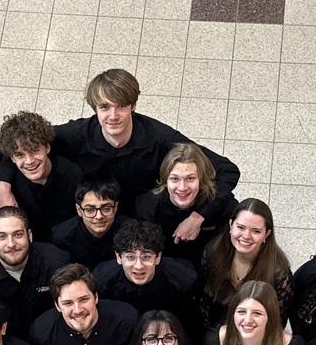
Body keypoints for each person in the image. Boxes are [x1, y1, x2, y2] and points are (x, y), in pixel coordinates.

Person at [0, 69, 240, 223]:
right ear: (95, 109)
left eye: (121, 106)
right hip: (95, 216)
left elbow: (228, 170)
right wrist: (3, 188)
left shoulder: (160, 136)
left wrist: (199, 216)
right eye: (104, 107)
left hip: (144, 216)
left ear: (133, 106)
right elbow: (22, 144)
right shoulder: (76, 134)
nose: (113, 115)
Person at [0, 207, 71, 339]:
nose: (11, 244)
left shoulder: (58, 263)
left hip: (52, 336)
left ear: (29, 235)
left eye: (18, 235)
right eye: (2, 237)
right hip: (2, 342)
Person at [134, 142, 238, 268]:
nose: (182, 188)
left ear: (201, 179)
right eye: (174, 179)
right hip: (166, 270)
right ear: (165, 181)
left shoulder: (221, 203)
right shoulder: (147, 207)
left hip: (210, 267)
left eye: (190, 178)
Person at [201, 198, 294, 331]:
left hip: (254, 334)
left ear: (266, 235)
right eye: (240, 227)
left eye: (256, 231)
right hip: (216, 329)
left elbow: (276, 324)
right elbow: (204, 303)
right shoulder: (213, 252)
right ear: (231, 225)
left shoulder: (279, 274)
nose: (246, 236)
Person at [0, 111, 82, 241]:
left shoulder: (72, 176)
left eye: (34, 151)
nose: (29, 161)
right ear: (11, 158)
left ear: (47, 147)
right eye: (20, 155)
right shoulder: (9, 182)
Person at [94, 219, 198, 318]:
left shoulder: (183, 279)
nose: (138, 266)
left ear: (158, 257)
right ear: (119, 258)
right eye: (131, 257)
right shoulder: (102, 281)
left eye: (146, 257)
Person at [50, 176, 136, 269]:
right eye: (90, 209)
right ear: (79, 210)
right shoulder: (61, 238)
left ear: (115, 208)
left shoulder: (132, 231)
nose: (99, 216)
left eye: (106, 208)